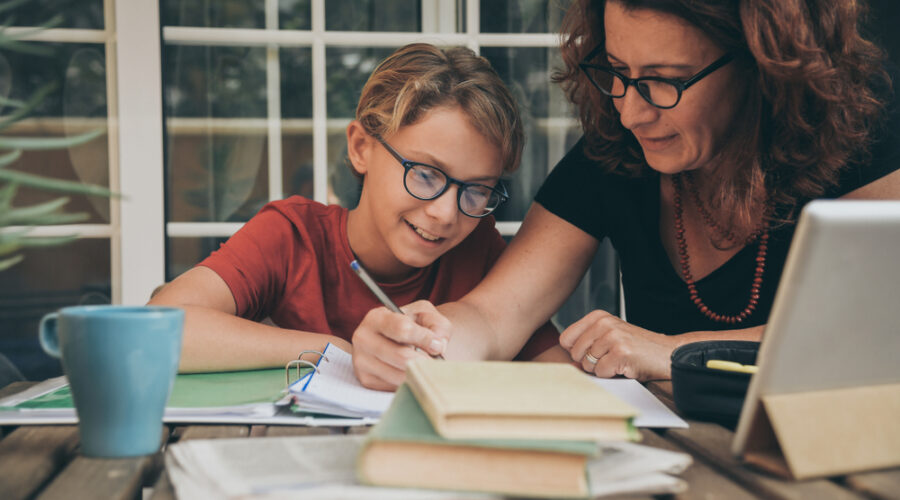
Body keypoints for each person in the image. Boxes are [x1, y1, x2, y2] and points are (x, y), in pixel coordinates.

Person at [351, 0, 900, 389]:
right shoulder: (614, 151)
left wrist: (674, 350)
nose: (631, 111)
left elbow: (875, 336)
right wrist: (425, 344)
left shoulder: (861, 144)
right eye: (617, 71)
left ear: (761, 65)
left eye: (666, 80)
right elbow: (494, 317)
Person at [149, 43, 565, 372]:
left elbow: (560, 376)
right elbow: (158, 328)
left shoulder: (479, 252)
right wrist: (337, 352)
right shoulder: (292, 237)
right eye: (425, 174)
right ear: (361, 147)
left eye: (476, 190)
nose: (445, 213)